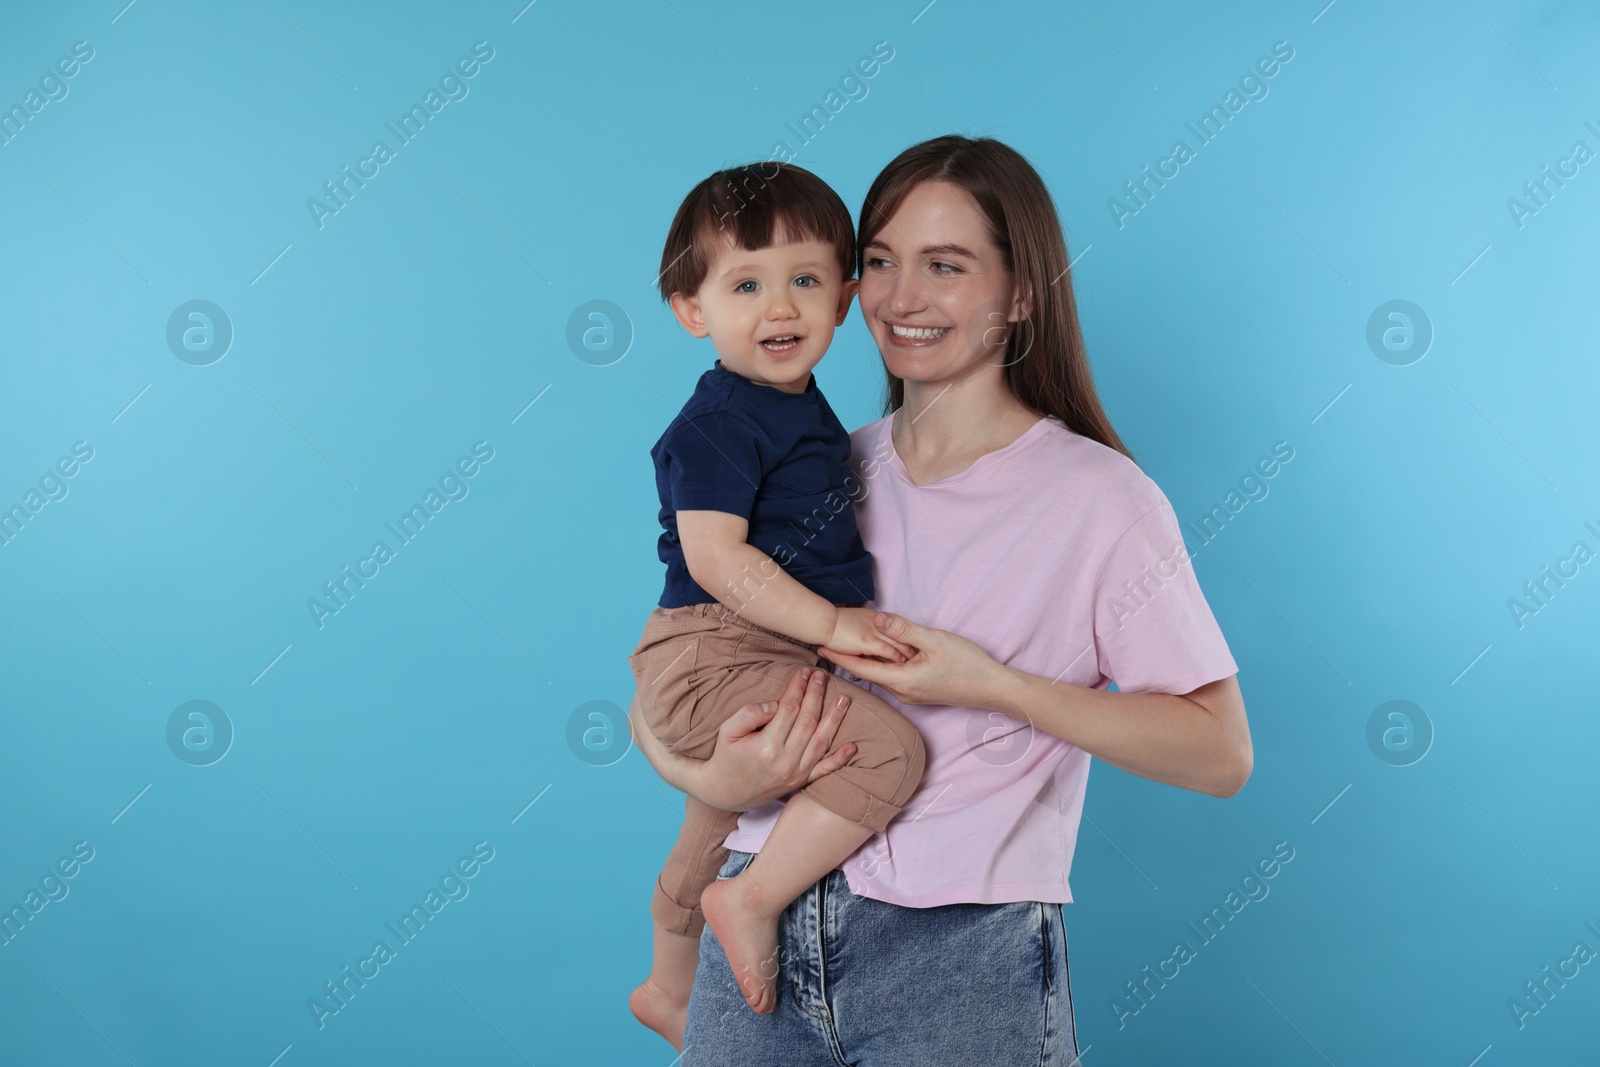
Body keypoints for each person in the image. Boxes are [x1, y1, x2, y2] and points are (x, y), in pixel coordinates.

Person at [629, 135, 1254, 1065]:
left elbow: (1220, 754)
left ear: (1022, 292)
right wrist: (706, 779)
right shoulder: (822, 467)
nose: (902, 298)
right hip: (754, 920)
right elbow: (685, 653)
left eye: (945, 266)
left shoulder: (1101, 499)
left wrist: (997, 685)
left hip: (959, 957)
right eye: (880, 262)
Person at [626, 161, 929, 1051]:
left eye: (805, 281)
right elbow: (718, 560)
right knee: (890, 751)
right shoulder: (721, 421)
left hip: (744, 650)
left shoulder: (799, 408)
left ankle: (666, 988)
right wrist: (836, 627)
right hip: (718, 647)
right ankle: (748, 900)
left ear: (844, 298)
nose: (781, 309)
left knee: (718, 818)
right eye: (746, 285)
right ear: (692, 310)